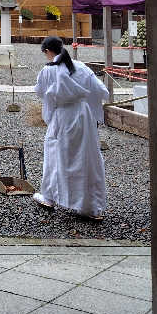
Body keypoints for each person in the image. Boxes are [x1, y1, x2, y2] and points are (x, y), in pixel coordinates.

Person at [33, 35, 109, 221]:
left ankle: (50, 197)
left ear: (47, 51)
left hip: (63, 116)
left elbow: (41, 93)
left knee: (56, 155)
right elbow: (101, 91)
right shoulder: (81, 67)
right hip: (83, 116)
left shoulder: (48, 70)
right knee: (87, 158)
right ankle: (92, 207)